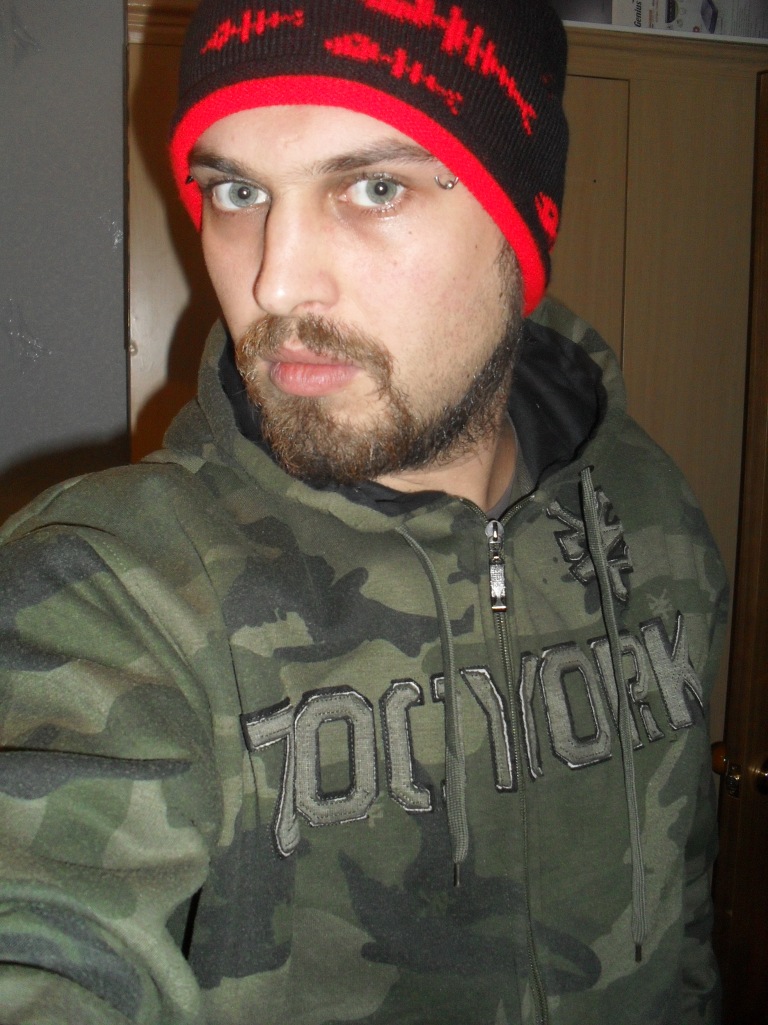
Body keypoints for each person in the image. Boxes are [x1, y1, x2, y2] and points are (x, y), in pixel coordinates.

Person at [0, 1, 728, 1022]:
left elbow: (683, 908)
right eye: (239, 191)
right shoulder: (107, 586)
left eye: (375, 187)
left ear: (524, 224)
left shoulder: (651, 514)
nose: (275, 282)